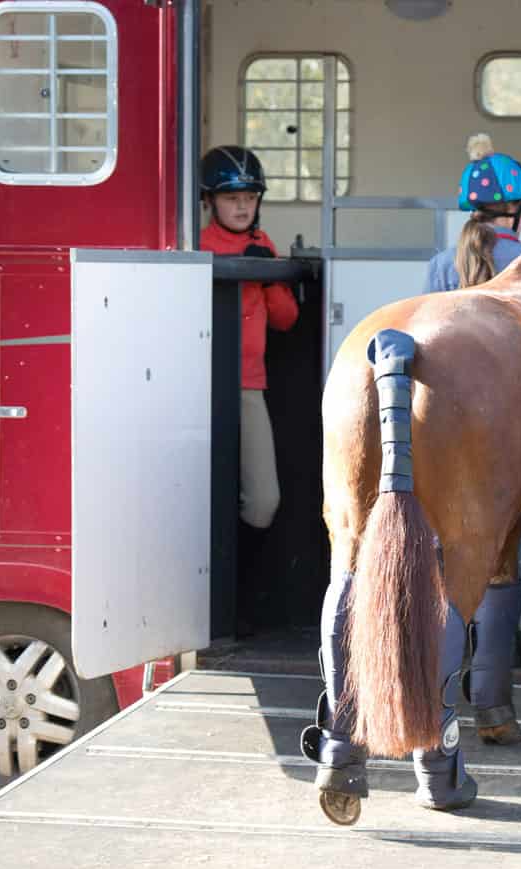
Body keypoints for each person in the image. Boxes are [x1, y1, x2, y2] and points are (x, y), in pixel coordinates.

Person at [425, 134, 521, 665]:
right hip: (504, 417)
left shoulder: (439, 264)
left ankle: (441, 633)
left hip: (443, 418)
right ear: (518, 210)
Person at [199, 145, 299, 635]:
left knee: (263, 501)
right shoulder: (196, 244)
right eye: (231, 197)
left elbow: (286, 319)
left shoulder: (263, 243)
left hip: (248, 388)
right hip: (195, 391)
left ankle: (241, 594)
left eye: (250, 196)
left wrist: (266, 275)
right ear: (210, 201)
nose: (242, 206)